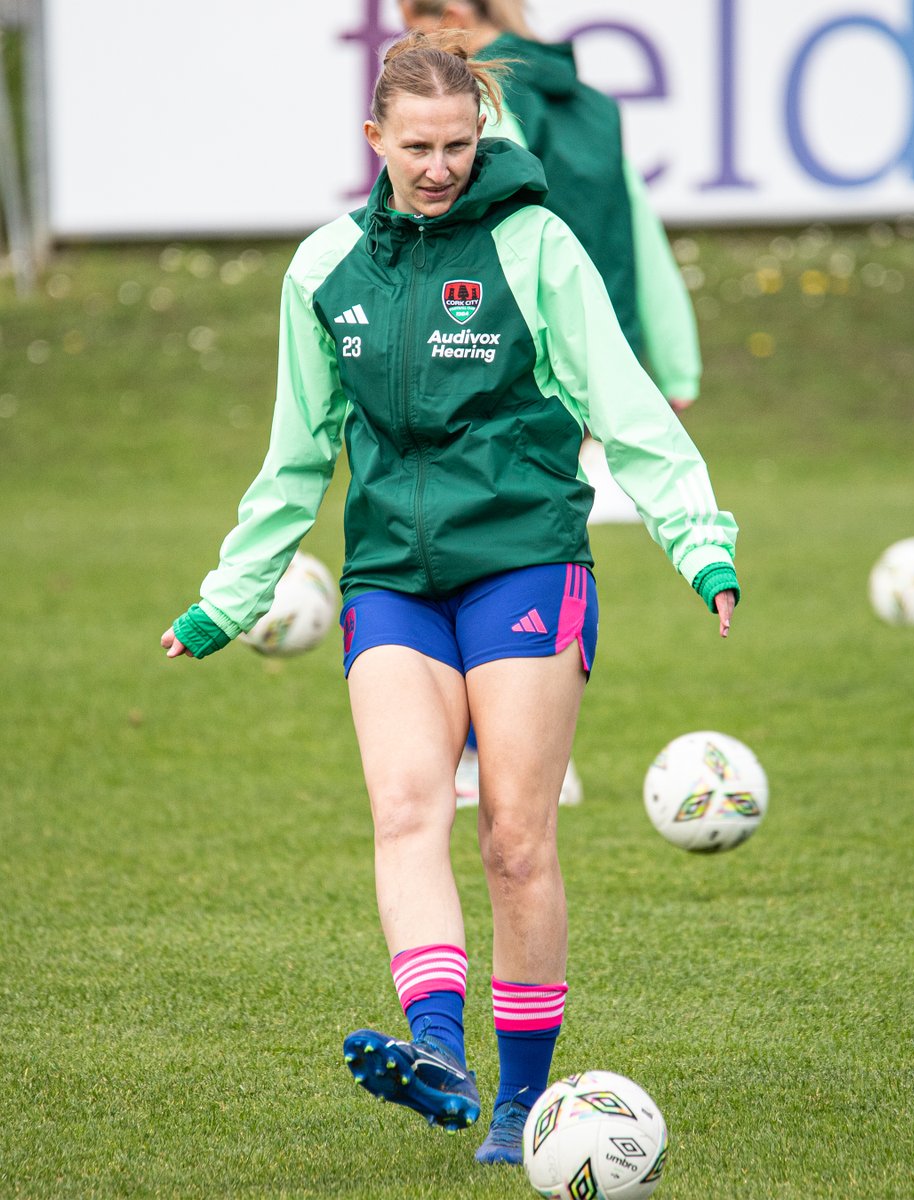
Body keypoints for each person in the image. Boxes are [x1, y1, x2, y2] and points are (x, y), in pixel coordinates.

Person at [161, 31, 739, 1166]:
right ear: (373, 139)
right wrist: (228, 600)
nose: (439, 167)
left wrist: (698, 542)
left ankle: (524, 1104)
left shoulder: (537, 247)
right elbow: (293, 462)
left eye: (458, 145)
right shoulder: (324, 269)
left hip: (525, 558)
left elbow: (627, 410)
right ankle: (439, 1054)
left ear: (485, 134)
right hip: (391, 577)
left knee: (517, 841)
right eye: (418, 147)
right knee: (406, 810)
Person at [398, 0, 705, 806]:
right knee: (535, 525)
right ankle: (533, 754)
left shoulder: (478, 106)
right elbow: (638, 225)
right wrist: (669, 359)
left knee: (477, 527)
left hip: (499, 357)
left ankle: (493, 757)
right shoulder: (591, 103)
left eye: (424, 12)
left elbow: (475, 233)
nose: (418, 32)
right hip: (586, 355)